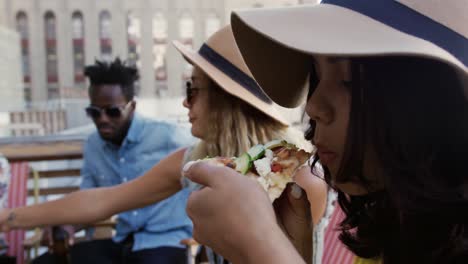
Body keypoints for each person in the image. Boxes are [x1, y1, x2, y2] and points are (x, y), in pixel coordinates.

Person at [0, 27, 328, 263]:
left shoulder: (298, 180)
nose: (185, 104)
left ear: (228, 102)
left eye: (192, 89)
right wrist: (9, 217)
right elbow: (103, 201)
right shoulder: (199, 161)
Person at [182, 0, 468, 263]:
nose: (314, 106)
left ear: (435, 101)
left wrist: (263, 246)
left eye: (347, 80)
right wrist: (291, 250)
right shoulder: (393, 231)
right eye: (316, 75)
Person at [34, 58, 195, 264]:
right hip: (122, 243)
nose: (102, 119)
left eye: (112, 111)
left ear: (132, 106)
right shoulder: (93, 145)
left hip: (166, 242)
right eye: (94, 112)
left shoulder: (169, 136)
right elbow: (87, 201)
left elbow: (211, 154)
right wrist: (68, 225)